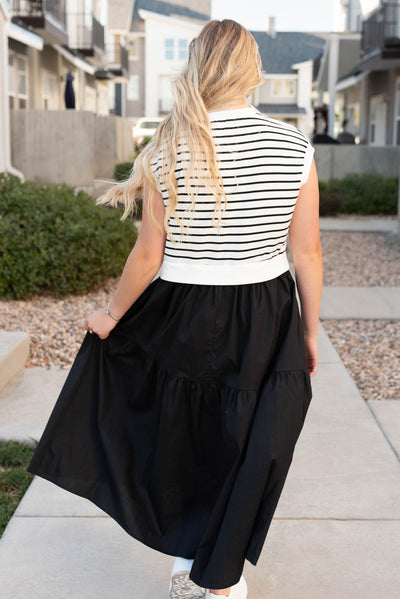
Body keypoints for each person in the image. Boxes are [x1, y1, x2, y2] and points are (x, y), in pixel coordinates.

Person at [27, 19, 322, 599]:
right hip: (265, 313)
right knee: (250, 442)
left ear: (198, 66)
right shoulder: (293, 146)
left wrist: (111, 316)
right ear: (252, 69)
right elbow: (306, 250)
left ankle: (195, 563)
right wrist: (309, 330)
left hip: (182, 311)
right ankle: (218, 577)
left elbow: (148, 251)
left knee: (185, 434)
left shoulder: (170, 146)